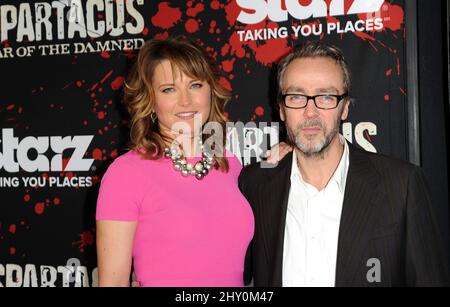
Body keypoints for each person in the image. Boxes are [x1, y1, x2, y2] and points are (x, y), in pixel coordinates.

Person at [239, 41, 450, 287]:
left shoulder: (401, 186)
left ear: (345, 108)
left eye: (326, 97)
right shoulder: (254, 184)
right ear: (282, 110)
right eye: (296, 97)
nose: (310, 111)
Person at [95, 38, 255, 287]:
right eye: (169, 89)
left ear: (211, 91)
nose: (186, 101)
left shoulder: (230, 164)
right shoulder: (126, 174)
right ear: (150, 100)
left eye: (195, 85)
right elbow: (112, 283)